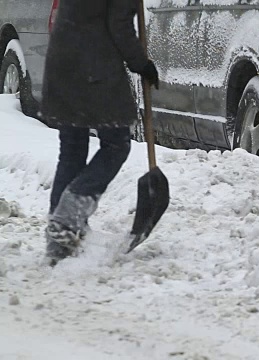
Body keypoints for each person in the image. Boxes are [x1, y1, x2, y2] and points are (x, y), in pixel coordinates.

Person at [42, 0, 159, 266]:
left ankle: (59, 240)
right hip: (93, 69)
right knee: (116, 144)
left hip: (63, 60)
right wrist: (141, 63)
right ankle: (66, 220)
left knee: (72, 148)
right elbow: (119, 26)